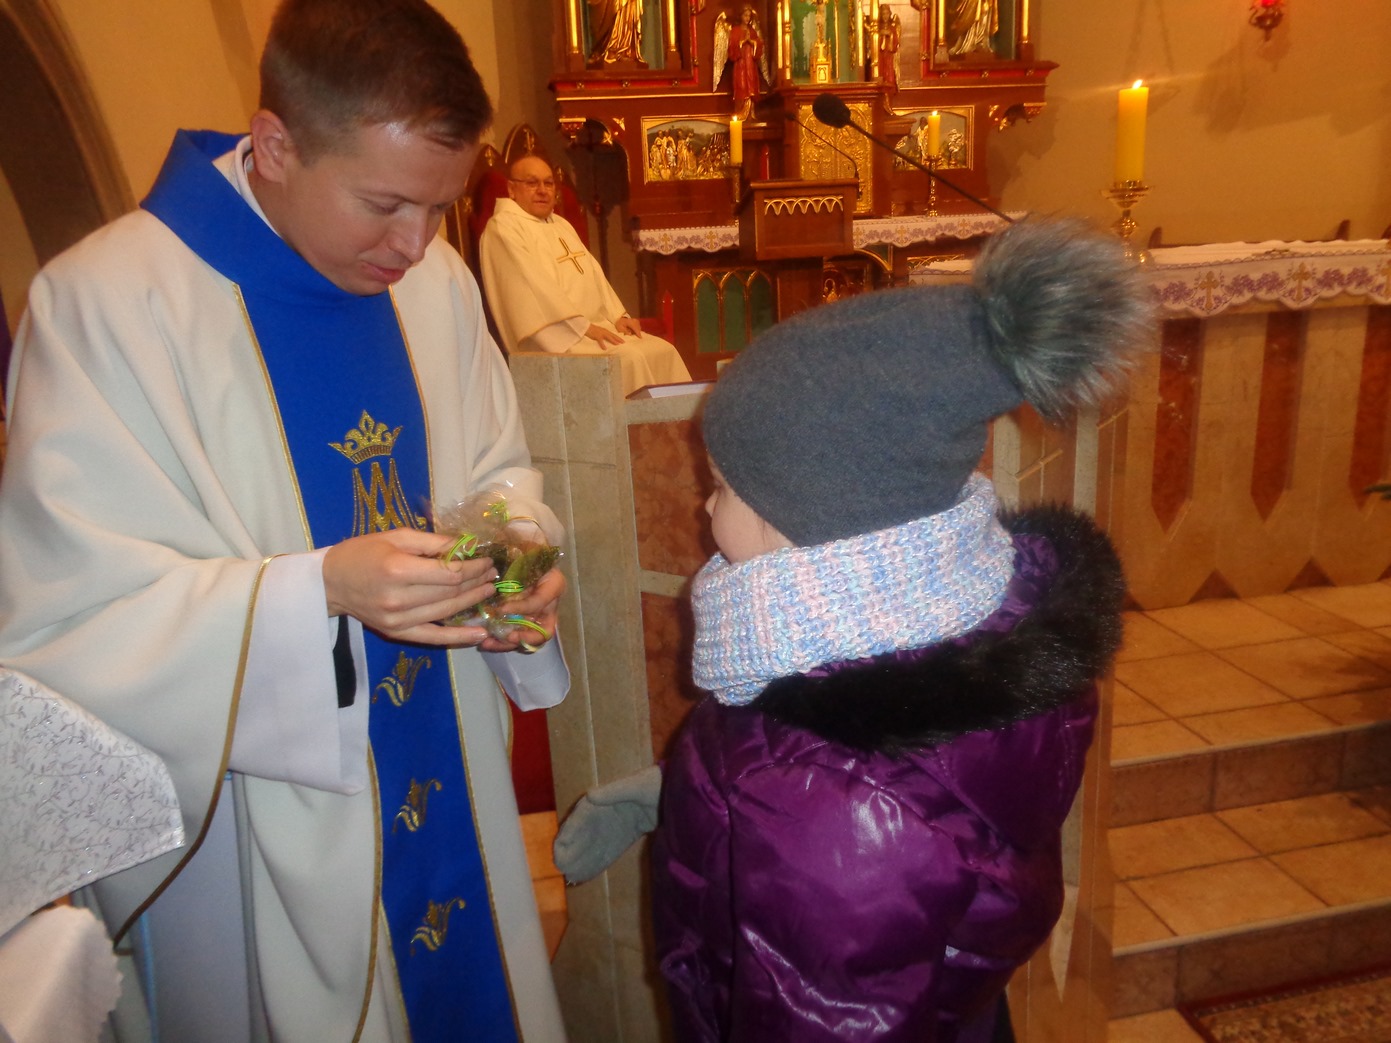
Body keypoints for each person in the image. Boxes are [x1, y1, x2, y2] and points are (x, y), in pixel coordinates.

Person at [0, 1, 570, 1040]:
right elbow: (67, 622)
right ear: (272, 144)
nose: (416, 244)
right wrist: (318, 593)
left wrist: (510, 561)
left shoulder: (435, 282)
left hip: (448, 761)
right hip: (255, 823)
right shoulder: (108, 303)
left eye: (440, 207)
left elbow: (496, 467)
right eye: (384, 203)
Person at [553, 217, 1154, 1041]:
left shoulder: (838, 811)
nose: (703, 506)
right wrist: (695, 794)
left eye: (720, 484)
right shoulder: (944, 641)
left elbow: (822, 973)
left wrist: (752, 800)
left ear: (814, 519)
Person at [479, 154, 691, 397]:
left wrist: (618, 316)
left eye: (548, 183)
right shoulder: (504, 228)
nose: (542, 190)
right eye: (532, 183)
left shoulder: (560, 224)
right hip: (559, 338)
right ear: (511, 189)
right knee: (630, 359)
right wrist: (582, 328)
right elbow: (533, 291)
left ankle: (677, 424)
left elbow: (593, 274)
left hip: (595, 328)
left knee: (663, 351)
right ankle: (639, 424)